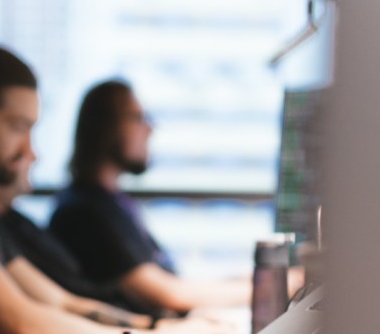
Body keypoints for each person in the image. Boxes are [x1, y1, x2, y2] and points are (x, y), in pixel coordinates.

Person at [0, 45, 231, 334]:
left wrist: (152, 327)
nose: (30, 149)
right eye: (18, 126)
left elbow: (59, 302)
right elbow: (18, 320)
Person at [48, 80, 254, 315]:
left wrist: (242, 281)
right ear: (107, 127)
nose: (150, 128)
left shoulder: (110, 203)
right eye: (137, 117)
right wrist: (268, 285)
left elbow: (167, 281)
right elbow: (167, 294)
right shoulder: (83, 212)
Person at [0, 152, 142, 315]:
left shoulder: (15, 221)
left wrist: (146, 325)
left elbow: (63, 302)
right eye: (18, 128)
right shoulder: (78, 208)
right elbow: (26, 319)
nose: (34, 155)